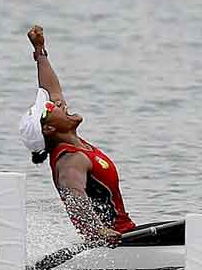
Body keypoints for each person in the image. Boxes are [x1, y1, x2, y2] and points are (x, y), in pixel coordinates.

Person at [18, 25, 135, 246]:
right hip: (112, 244)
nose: (58, 103)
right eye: (50, 108)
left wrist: (40, 52)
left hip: (125, 233)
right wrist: (100, 231)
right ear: (49, 129)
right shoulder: (69, 159)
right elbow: (75, 199)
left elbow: (52, 89)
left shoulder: (72, 142)